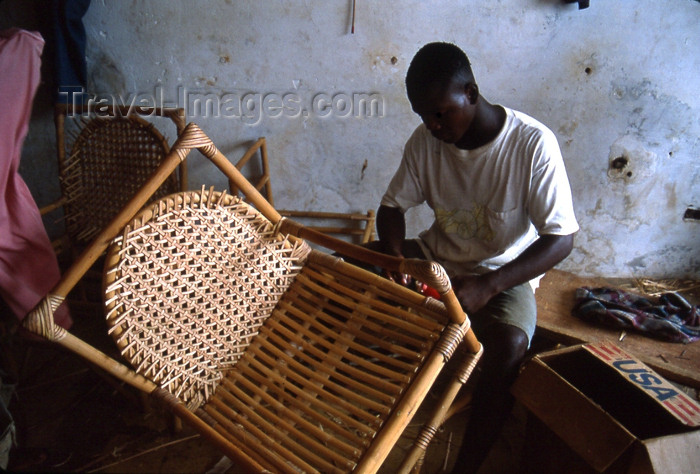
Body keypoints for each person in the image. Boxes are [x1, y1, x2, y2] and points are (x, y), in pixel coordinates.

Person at [375, 42, 579, 473]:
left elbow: (561, 239)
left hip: (501, 273)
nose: (432, 126)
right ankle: (359, 385)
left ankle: (466, 465)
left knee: (509, 347)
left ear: (470, 92)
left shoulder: (532, 144)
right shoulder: (425, 143)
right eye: (423, 117)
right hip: (436, 258)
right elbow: (392, 208)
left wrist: (490, 285)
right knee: (351, 269)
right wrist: (396, 262)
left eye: (440, 113)